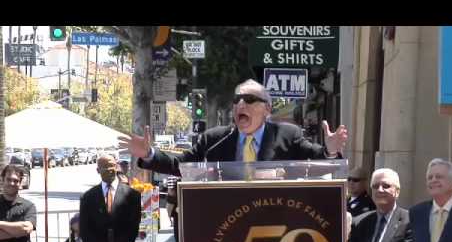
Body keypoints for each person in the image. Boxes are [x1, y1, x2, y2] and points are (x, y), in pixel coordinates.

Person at [118, 78, 348, 176]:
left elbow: (319, 161)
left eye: (248, 100)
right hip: (225, 219)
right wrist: (148, 154)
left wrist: (330, 150)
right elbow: (180, 165)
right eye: (236, 100)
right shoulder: (214, 139)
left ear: (267, 109)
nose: (240, 105)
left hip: (274, 220)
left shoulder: (287, 135)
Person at [79, 155, 141, 242]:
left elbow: (132, 229)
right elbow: (85, 230)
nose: (109, 169)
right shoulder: (88, 197)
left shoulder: (132, 195)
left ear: (117, 167)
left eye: (112, 165)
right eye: (105, 167)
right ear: (98, 170)